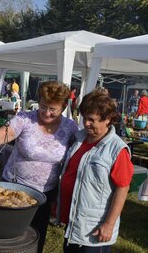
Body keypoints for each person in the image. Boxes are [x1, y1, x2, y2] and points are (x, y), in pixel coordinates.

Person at [0, 81, 78, 253]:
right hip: (13, 188)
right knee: (6, 237)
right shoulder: (25, 119)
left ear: (64, 106)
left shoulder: (70, 127)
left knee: (35, 238)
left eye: (53, 109)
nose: (46, 112)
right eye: (43, 106)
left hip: (45, 194)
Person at [58, 89, 133, 253]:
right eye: (84, 118)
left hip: (94, 230)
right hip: (74, 225)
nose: (86, 123)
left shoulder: (117, 149)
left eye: (92, 120)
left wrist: (109, 224)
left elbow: (123, 188)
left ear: (107, 120)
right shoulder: (79, 139)